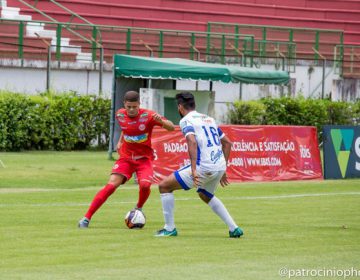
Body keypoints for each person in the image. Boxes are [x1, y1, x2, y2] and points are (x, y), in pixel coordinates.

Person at [78, 91, 175, 228]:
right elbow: (127, 128)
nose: (131, 110)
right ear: (125, 104)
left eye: (134, 107)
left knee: (145, 185)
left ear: (139, 105)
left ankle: (138, 208)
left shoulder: (149, 116)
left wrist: (162, 122)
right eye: (128, 107)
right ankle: (86, 218)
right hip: (126, 158)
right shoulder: (120, 114)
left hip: (143, 159)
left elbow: (171, 127)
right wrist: (120, 140)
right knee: (111, 185)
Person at [155, 92, 243, 238]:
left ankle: (169, 228)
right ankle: (234, 228)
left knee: (164, 186)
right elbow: (227, 143)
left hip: (205, 167)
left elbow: (192, 141)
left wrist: (194, 170)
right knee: (205, 194)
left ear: (180, 107)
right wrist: (223, 168)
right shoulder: (208, 119)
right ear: (194, 105)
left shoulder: (186, 120)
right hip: (219, 165)